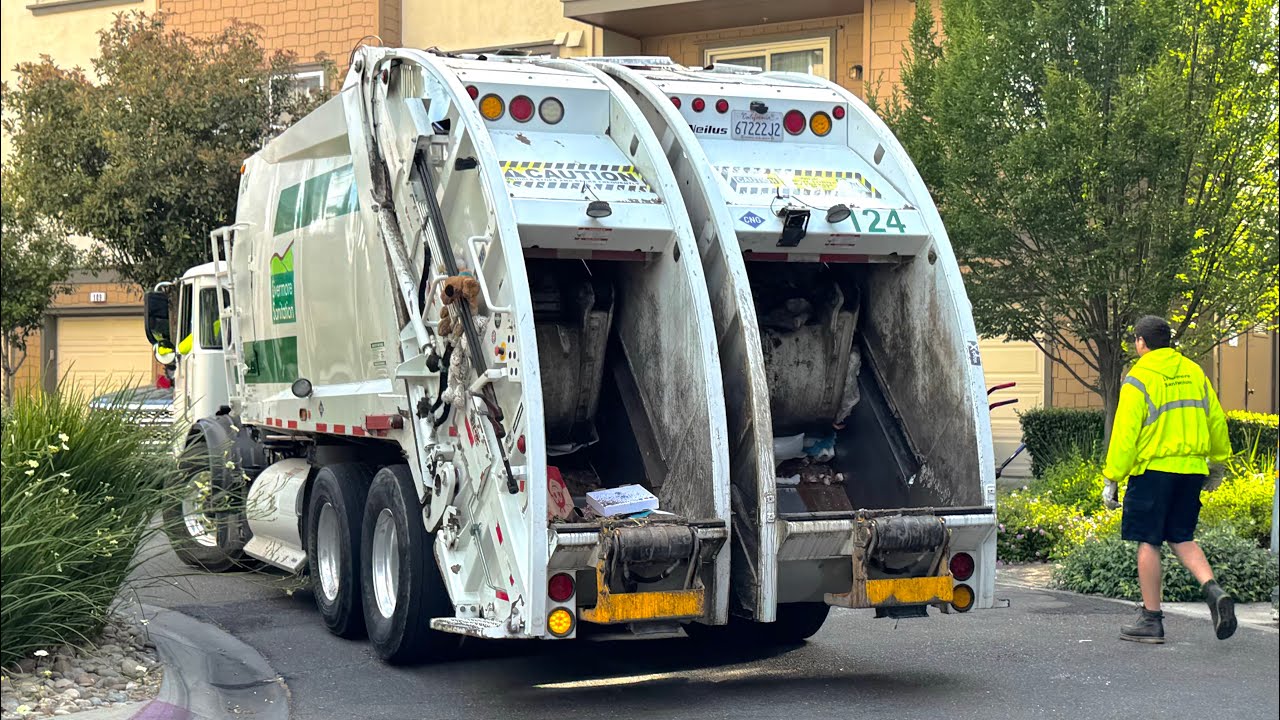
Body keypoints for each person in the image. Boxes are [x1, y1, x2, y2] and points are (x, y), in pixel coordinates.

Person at [1101, 315, 1235, 644]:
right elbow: (1215, 418)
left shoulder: (1139, 377)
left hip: (1154, 471)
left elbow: (1125, 434)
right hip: (1191, 470)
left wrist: (1112, 478)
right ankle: (1213, 589)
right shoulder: (1194, 372)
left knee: (1150, 540)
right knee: (1181, 536)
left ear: (1141, 342)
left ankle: (1151, 620)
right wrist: (1218, 463)